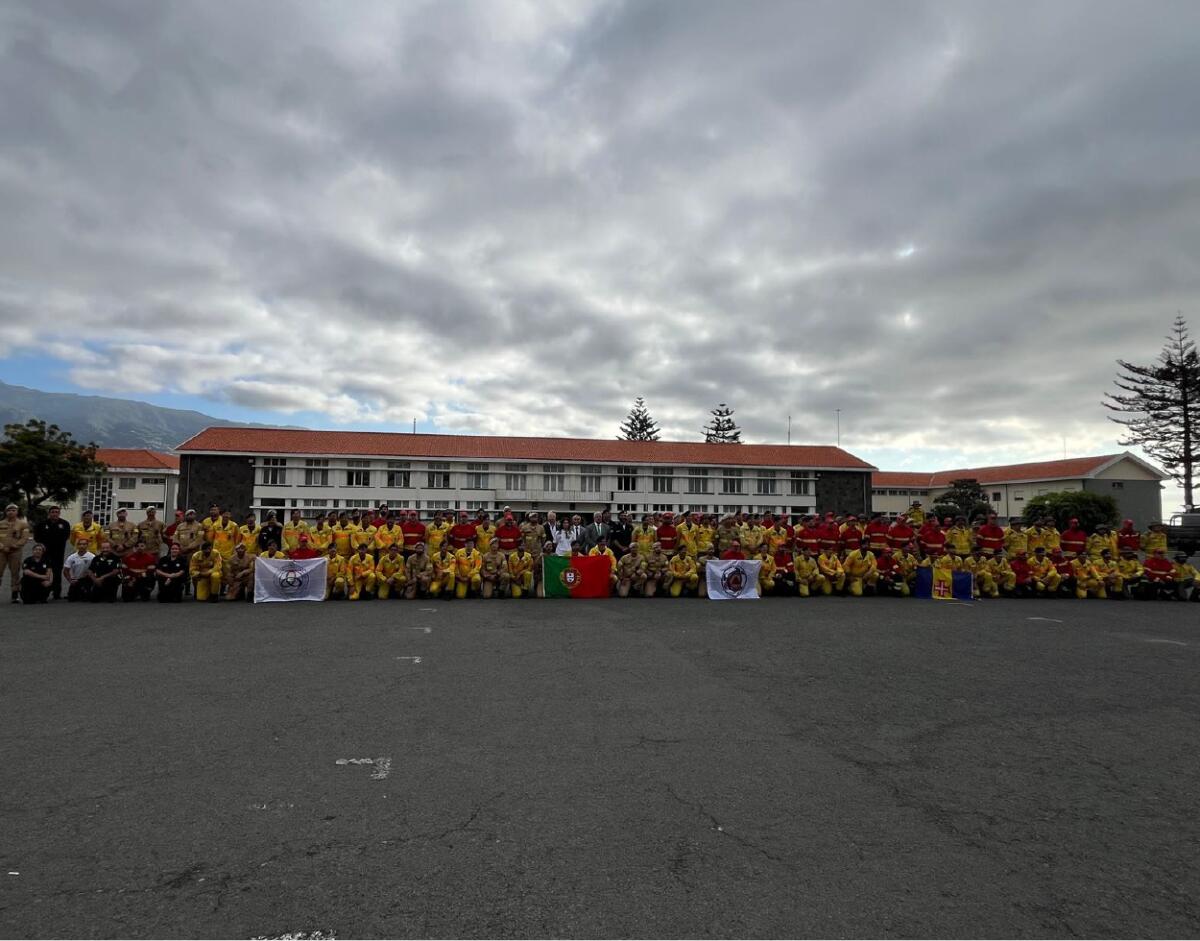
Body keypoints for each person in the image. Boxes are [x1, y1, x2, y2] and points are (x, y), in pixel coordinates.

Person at [34, 506, 73, 599]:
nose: (54, 513)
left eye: (56, 512)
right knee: (44, 571)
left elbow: (66, 536)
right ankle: (43, 591)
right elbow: (36, 537)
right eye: (52, 512)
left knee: (57, 572)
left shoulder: (64, 524)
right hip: (45, 552)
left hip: (58, 552)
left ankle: (56, 593)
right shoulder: (42, 524)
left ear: (59, 513)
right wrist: (41, 544)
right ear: (49, 513)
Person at [0, 503, 32, 602]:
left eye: (13, 510)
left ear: (17, 512)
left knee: (15, 573)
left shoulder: (23, 524)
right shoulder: (0, 523)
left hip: (15, 552)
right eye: (9, 510)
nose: (11, 512)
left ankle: (15, 595)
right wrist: (2, 546)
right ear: (6, 512)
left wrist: (15, 546)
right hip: (1, 552)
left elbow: (25, 538)